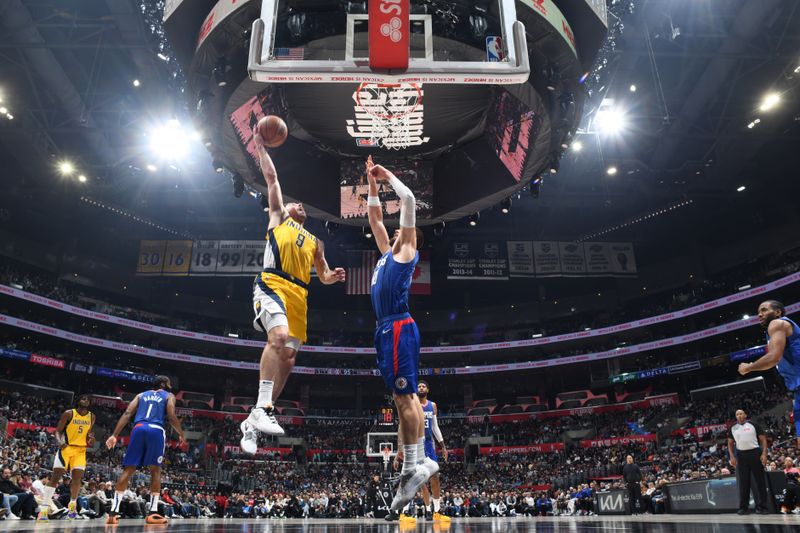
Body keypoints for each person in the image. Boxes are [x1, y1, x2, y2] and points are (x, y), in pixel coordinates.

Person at [241, 123, 346, 452]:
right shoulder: (277, 218)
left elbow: (323, 275)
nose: (299, 205)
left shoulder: (316, 241)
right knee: (279, 338)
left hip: (300, 295)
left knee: (287, 358)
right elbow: (273, 180)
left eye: (302, 205)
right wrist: (261, 148)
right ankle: (262, 407)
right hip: (272, 282)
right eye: (294, 203)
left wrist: (333, 277)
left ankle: (255, 418)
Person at [365, 156, 436, 520]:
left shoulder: (406, 249)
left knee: (407, 398)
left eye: (400, 231)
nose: (392, 232)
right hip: (385, 329)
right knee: (399, 398)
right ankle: (413, 465)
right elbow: (375, 219)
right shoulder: (385, 255)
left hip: (397, 326)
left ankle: (417, 463)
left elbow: (408, 201)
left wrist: (389, 175)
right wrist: (372, 185)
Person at [104, 375, 186, 525]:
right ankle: (153, 512)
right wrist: (181, 433)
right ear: (163, 384)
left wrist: (114, 435)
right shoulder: (169, 395)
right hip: (156, 430)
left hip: (138, 428)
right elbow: (172, 415)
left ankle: (112, 513)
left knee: (128, 470)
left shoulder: (141, 395)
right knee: (156, 470)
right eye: (168, 382)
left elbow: (127, 413)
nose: (170, 385)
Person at [738, 300, 800, 446]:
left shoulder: (777, 324)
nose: (760, 314)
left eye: (764, 310)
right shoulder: (774, 330)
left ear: (777, 312)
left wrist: (749, 367)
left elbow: (773, 358)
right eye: (759, 312)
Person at [37, 394, 95, 520]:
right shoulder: (69, 413)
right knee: (55, 477)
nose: (85, 400)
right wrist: (59, 442)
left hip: (80, 450)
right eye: (83, 398)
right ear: (78, 401)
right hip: (67, 448)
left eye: (87, 399)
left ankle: (72, 506)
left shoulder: (92, 417)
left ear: (90, 403)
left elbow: (88, 436)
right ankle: (44, 509)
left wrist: (90, 440)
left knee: (77, 480)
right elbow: (58, 431)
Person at [416, 381, 450, 523]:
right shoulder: (412, 404)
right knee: (423, 480)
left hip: (429, 445)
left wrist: (442, 446)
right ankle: (428, 510)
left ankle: (437, 511)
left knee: (435, 477)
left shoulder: (433, 405)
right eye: (418, 386)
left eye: (423, 386)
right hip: (417, 444)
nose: (421, 388)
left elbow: (435, 427)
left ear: (428, 390)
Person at [727, 408, 769, 515]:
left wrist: (764, 454)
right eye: (737, 414)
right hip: (741, 455)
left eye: (741, 413)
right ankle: (744, 508)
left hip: (755, 453)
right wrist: (732, 456)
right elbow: (730, 444)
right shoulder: (733, 428)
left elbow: (763, 440)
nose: (739, 415)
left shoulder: (753, 425)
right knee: (743, 482)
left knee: (760, 481)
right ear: (736, 416)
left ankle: (762, 507)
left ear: (745, 415)